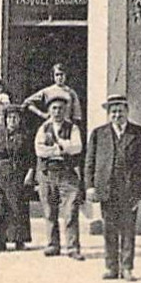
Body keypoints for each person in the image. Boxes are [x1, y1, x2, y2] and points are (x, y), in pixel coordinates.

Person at [85, 94, 141, 280]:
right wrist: (90, 187)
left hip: (130, 189)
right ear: (108, 113)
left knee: (128, 229)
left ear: (127, 111)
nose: (117, 115)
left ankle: (127, 267)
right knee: (109, 229)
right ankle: (111, 267)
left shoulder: (138, 133)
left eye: (120, 111)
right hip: (107, 189)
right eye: (113, 111)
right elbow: (89, 162)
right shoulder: (98, 134)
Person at [34, 93, 85, 260]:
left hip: (67, 173)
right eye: (54, 108)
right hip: (47, 173)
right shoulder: (43, 128)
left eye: (61, 109)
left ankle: (72, 247)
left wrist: (57, 148)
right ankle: (52, 245)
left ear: (66, 110)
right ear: (49, 110)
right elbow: (39, 150)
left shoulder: (73, 128)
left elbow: (77, 147)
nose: (57, 112)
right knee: (49, 210)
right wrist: (61, 149)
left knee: (70, 210)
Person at [0, 102, 34, 251]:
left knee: (18, 206)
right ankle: (0, 241)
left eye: (15, 117)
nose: (12, 120)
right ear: (5, 119)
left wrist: (30, 173)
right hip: (0, 173)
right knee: (0, 206)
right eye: (10, 117)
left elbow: (31, 157)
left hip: (18, 173)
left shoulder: (25, 135)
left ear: (20, 119)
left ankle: (19, 240)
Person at [25, 63, 83, 128]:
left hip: (66, 127)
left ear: (66, 75)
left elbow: (77, 115)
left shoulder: (71, 93)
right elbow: (27, 102)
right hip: (51, 126)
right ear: (53, 76)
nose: (59, 77)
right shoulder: (47, 91)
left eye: (62, 74)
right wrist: (42, 114)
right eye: (57, 75)